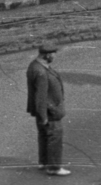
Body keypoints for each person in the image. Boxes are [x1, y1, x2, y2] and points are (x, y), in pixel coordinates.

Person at [26, 43, 69, 175]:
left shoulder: (35, 66)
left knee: (44, 136)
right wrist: (43, 116)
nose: (54, 57)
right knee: (54, 137)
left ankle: (44, 162)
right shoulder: (41, 72)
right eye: (53, 55)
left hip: (43, 111)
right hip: (49, 111)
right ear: (48, 55)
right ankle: (54, 167)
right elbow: (41, 97)